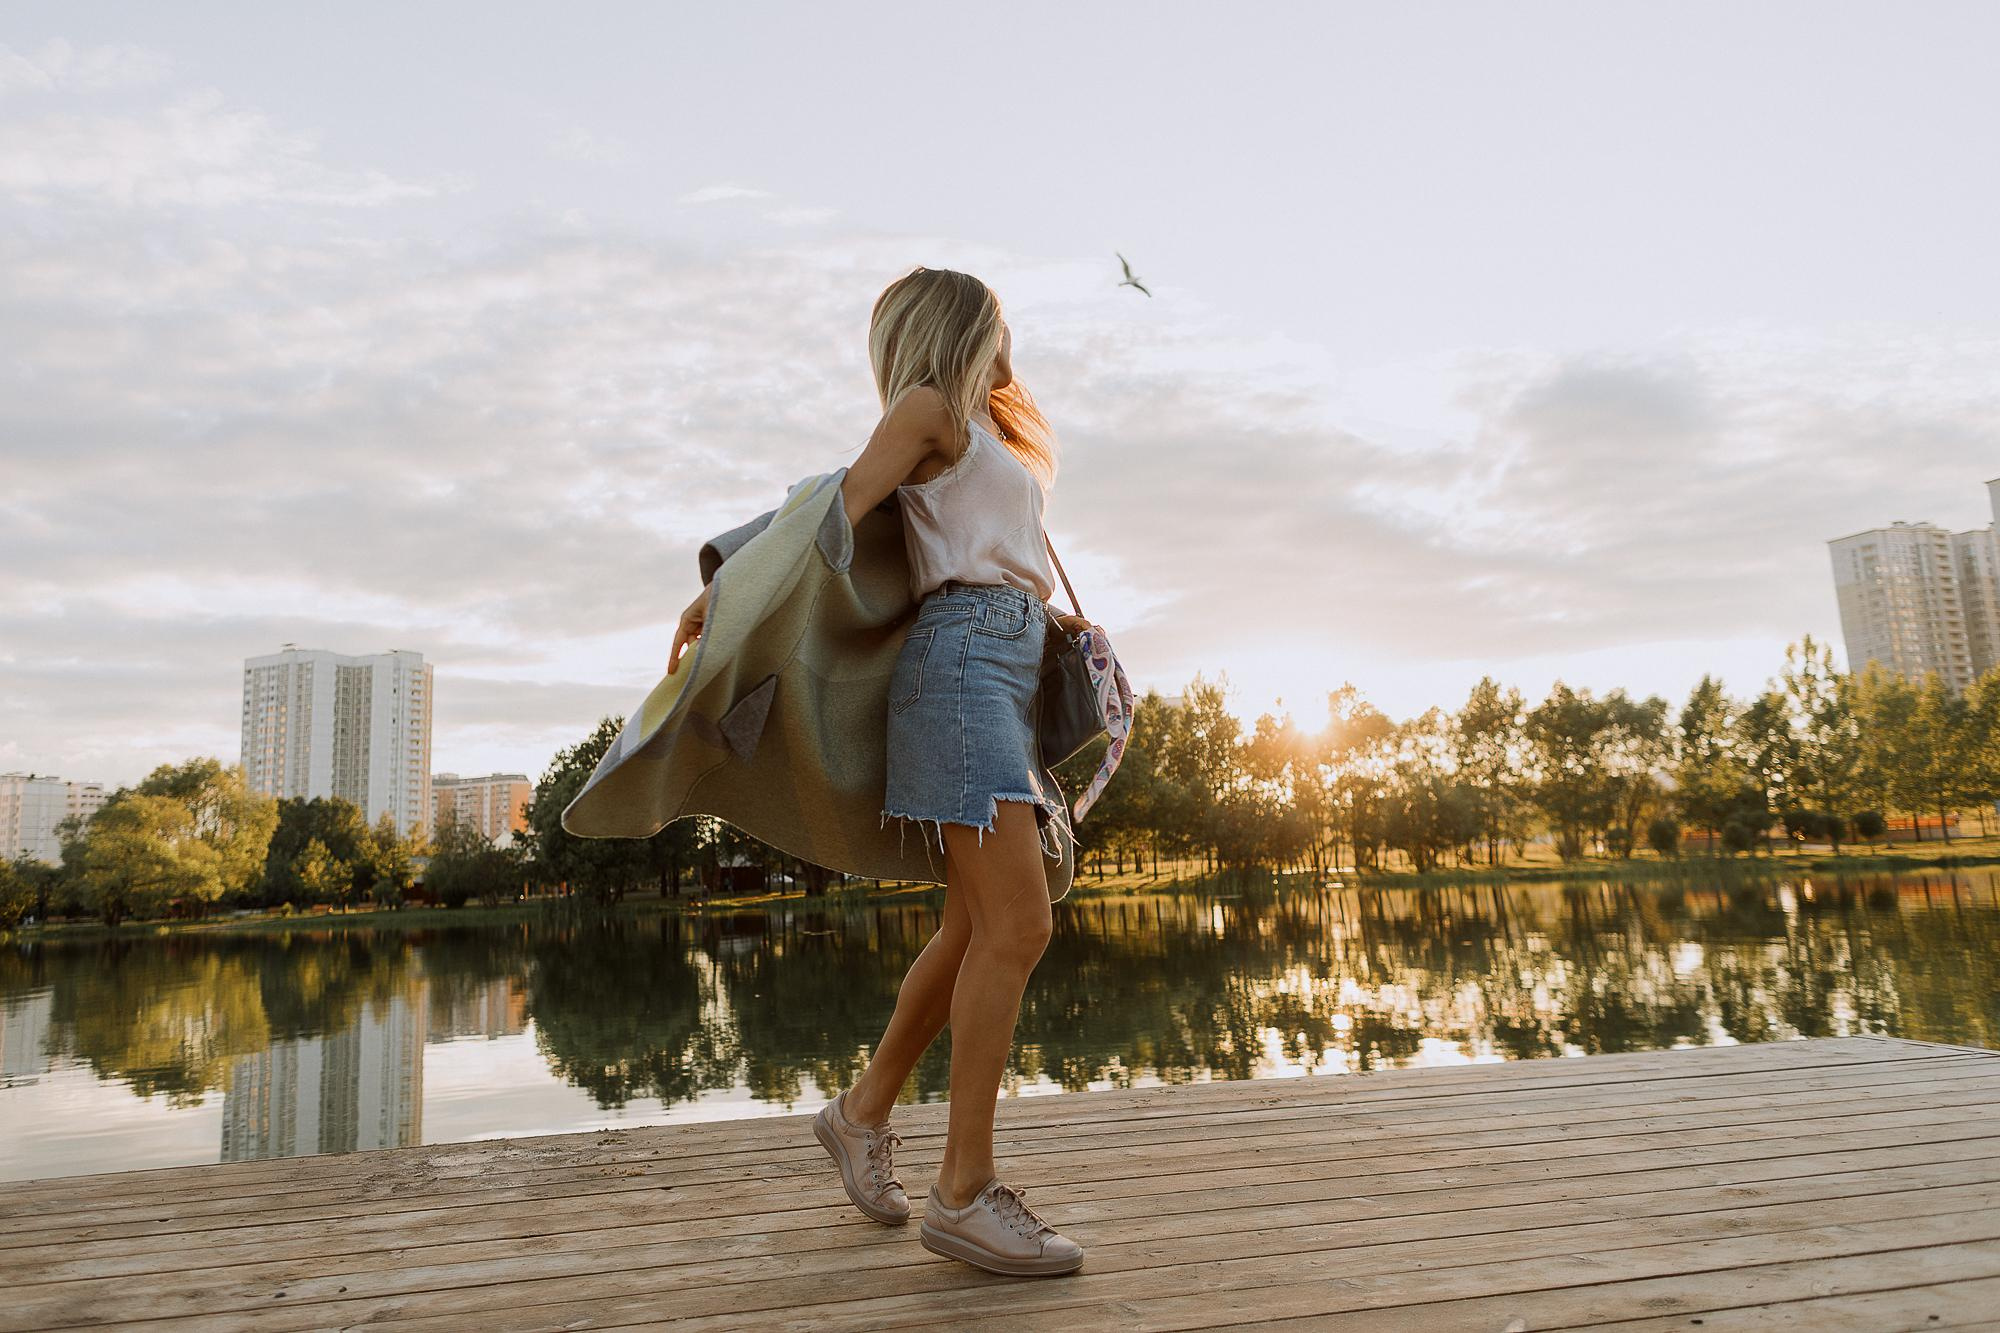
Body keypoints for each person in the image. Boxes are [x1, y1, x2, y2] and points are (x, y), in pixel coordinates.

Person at [666, 267, 1089, 1278]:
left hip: (999, 670)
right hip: (960, 671)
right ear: (963, 325)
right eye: (998, 324)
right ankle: (963, 1192)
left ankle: (859, 1115)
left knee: (975, 928)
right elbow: (835, 509)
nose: (1009, 343)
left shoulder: (976, 429)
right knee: (1019, 926)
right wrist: (724, 590)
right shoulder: (927, 408)